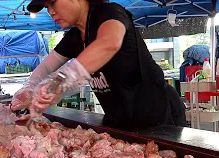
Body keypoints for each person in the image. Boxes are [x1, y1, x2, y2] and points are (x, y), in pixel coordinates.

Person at [11, 0, 187, 131]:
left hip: (159, 118)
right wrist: (29, 87)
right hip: (119, 120)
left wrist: (60, 82)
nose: (50, 11)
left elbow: (109, 43)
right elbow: (47, 67)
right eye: (46, 7)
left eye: (53, 3)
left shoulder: (109, 13)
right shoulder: (74, 37)